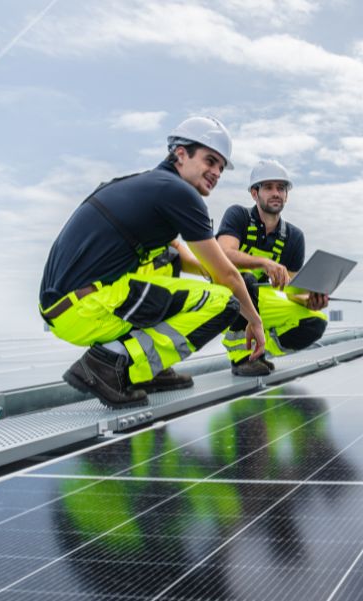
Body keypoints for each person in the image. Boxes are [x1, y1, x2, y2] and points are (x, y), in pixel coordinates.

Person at [38, 116, 266, 408]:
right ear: (180, 153)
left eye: (221, 167)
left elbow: (178, 254)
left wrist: (214, 269)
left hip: (63, 308)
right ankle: (111, 364)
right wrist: (254, 321)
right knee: (225, 301)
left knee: (167, 259)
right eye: (210, 161)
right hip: (89, 307)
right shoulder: (178, 192)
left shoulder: (141, 185)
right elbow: (227, 277)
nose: (216, 172)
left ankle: (148, 369)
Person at [216, 160, 329, 376]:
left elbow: (292, 291)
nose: (276, 193)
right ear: (254, 193)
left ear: (286, 195)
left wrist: (310, 300)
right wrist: (264, 262)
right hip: (226, 299)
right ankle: (241, 358)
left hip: (260, 301)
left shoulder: (294, 237)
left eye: (281, 188)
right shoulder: (238, 216)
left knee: (315, 322)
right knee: (245, 280)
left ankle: (260, 351)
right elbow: (223, 254)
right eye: (268, 187)